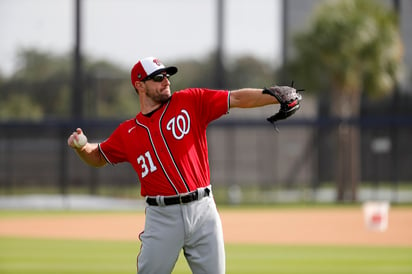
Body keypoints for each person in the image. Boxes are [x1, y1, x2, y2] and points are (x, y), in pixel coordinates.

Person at [67, 56, 295, 274]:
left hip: (203, 210)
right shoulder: (128, 132)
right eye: (158, 77)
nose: (166, 80)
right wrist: (81, 147)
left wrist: (273, 96)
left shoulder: (190, 101)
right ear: (140, 85)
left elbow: (235, 98)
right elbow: (97, 156)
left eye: (167, 75)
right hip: (162, 217)